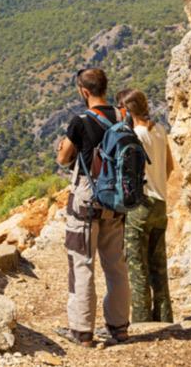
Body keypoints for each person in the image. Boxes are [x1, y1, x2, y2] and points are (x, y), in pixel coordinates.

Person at [54, 68, 131, 347]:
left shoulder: (80, 120)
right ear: (105, 87)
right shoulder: (124, 116)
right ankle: (119, 328)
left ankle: (82, 331)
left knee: (82, 263)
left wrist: (64, 146)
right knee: (116, 266)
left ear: (83, 91)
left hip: (87, 198)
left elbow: (64, 159)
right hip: (117, 201)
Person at [116, 88, 174, 323]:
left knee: (138, 268)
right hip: (160, 203)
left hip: (140, 205)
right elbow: (169, 166)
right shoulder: (159, 130)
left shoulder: (134, 136)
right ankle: (165, 319)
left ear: (127, 111)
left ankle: (142, 323)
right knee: (159, 268)